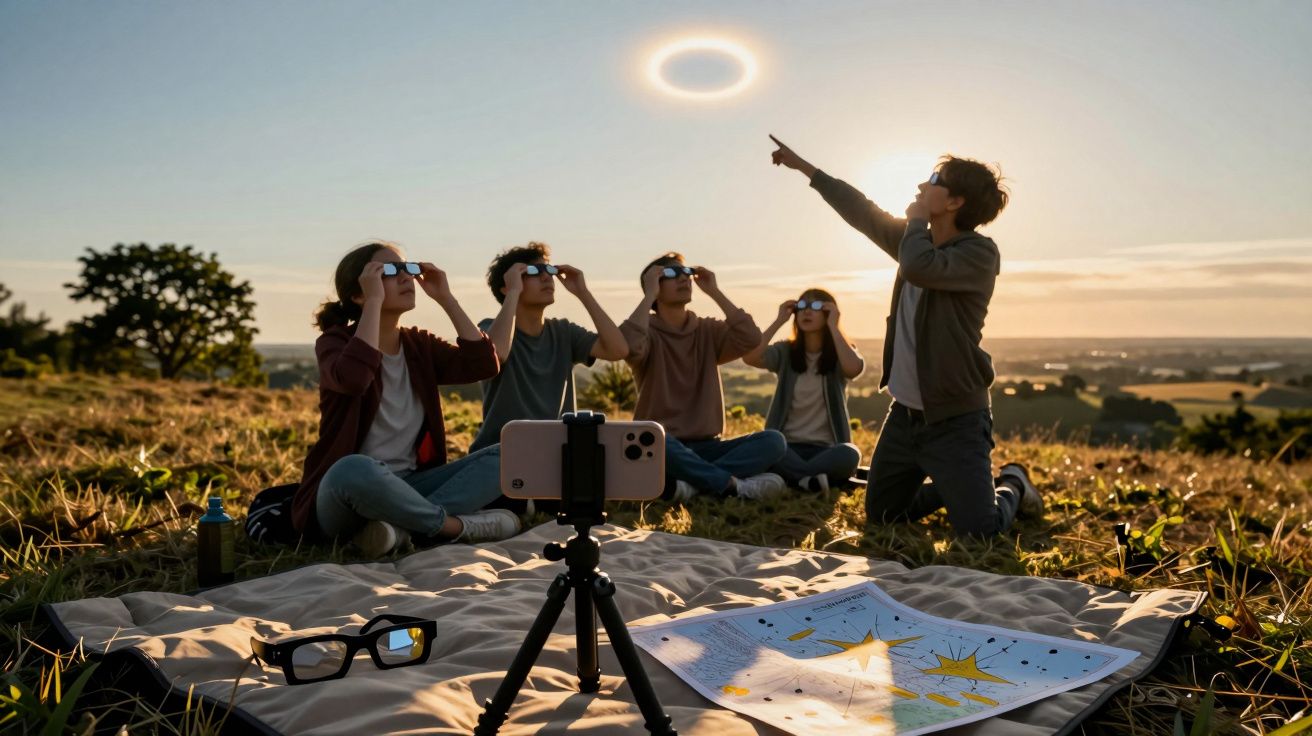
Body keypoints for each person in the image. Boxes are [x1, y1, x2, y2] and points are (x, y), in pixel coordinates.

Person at [769, 135, 1043, 537]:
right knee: (883, 515)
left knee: (980, 534)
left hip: (956, 420)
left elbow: (920, 267)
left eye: (932, 180)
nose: (920, 185)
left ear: (955, 202)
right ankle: (958, 489)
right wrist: (805, 168)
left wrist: (915, 221)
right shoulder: (914, 242)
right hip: (904, 417)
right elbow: (861, 211)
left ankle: (1013, 483)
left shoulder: (979, 254)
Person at [291, 241, 521, 557]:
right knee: (354, 468)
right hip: (346, 495)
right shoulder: (334, 343)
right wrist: (373, 302)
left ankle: (399, 529)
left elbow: (484, 365)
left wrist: (446, 298)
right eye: (389, 271)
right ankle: (453, 527)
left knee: (512, 453)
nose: (405, 277)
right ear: (358, 293)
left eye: (407, 269)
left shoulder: (418, 345)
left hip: (412, 485)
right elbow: (354, 379)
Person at [620, 252, 787, 501]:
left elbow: (751, 339)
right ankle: (732, 486)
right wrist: (648, 296)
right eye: (671, 273)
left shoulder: (707, 330)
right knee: (656, 439)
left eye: (686, 272)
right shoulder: (645, 332)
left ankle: (693, 486)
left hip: (709, 446)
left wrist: (714, 292)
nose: (684, 278)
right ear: (654, 286)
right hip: (664, 447)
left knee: (774, 441)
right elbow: (628, 347)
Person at [470, 242, 628, 453]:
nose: (547, 277)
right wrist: (513, 292)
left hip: (556, 453)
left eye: (549, 270)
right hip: (500, 453)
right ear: (507, 285)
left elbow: (618, 350)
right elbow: (495, 354)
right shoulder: (490, 329)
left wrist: (583, 292)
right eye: (533, 271)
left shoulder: (563, 332)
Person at [743, 288, 864, 493]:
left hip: (826, 449)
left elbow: (853, 368)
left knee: (850, 454)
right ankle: (811, 480)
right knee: (764, 446)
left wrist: (834, 326)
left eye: (816, 306)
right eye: (801, 306)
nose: (806, 311)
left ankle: (797, 479)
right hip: (786, 447)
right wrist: (779, 320)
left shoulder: (839, 353)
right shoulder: (785, 352)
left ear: (828, 313)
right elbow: (750, 357)